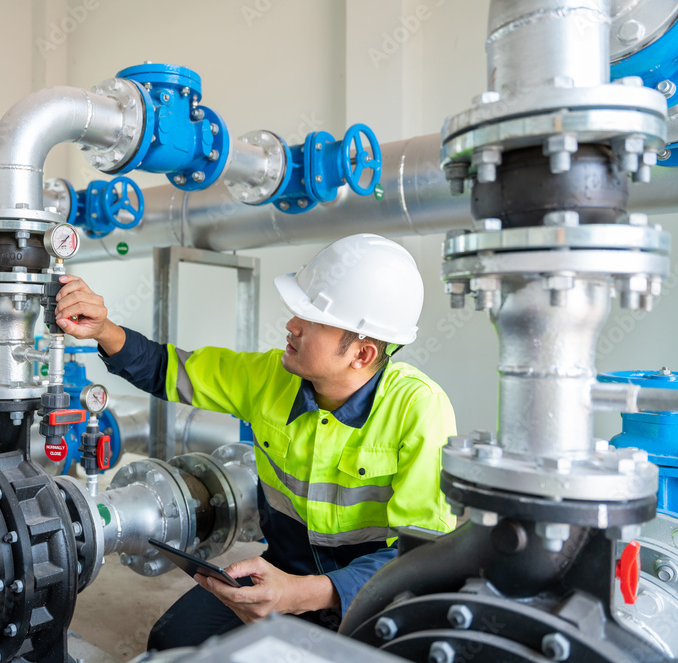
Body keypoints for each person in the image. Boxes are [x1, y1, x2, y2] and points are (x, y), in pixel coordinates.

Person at [53, 233, 457, 650]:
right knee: (173, 643)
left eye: (313, 320)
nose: (291, 325)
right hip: (284, 567)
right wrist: (103, 330)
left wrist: (302, 594)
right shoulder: (270, 377)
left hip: (369, 593)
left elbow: (418, 556)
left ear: (363, 354)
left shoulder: (419, 410)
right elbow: (167, 369)